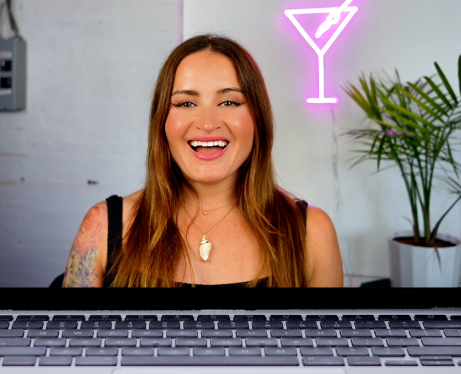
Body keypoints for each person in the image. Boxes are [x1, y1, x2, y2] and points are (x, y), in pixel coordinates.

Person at [61, 34, 345, 288]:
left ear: (257, 119)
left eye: (229, 102)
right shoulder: (102, 226)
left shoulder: (312, 233)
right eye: (186, 103)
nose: (207, 124)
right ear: (162, 121)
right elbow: (71, 345)